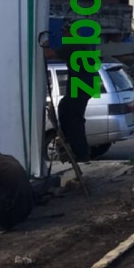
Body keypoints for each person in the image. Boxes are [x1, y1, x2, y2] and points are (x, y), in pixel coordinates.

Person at [44, 21, 94, 163]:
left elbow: (49, 54)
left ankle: (78, 150)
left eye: (65, 32)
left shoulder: (72, 45)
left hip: (79, 86)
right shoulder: (83, 44)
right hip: (88, 85)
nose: (63, 35)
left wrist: (45, 44)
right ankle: (79, 149)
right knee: (72, 114)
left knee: (70, 117)